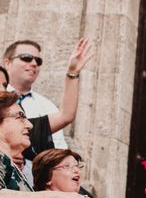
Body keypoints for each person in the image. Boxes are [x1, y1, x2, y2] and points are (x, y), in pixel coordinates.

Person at [1, 39, 93, 184]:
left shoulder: (46, 106)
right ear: (7, 62)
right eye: (26, 58)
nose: (33, 63)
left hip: (32, 188)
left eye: (38, 61)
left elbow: (65, 118)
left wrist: (72, 72)